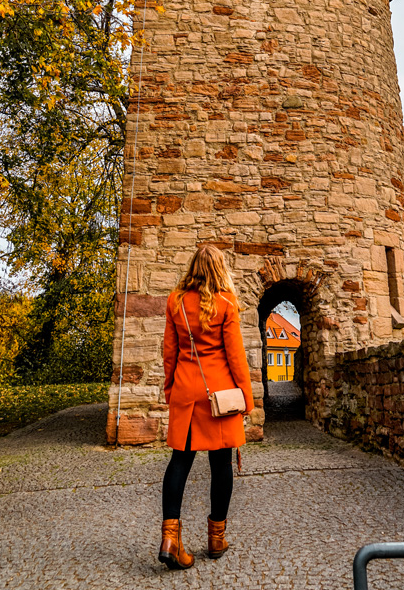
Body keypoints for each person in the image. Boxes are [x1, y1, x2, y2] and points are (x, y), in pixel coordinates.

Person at [159, 243, 255, 570]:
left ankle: (170, 539)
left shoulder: (175, 301)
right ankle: (216, 538)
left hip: (186, 391)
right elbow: (236, 357)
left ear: (193, 267)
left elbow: (168, 353)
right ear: (219, 269)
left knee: (179, 462)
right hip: (220, 395)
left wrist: (171, 388)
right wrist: (246, 397)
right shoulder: (227, 303)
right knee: (221, 464)